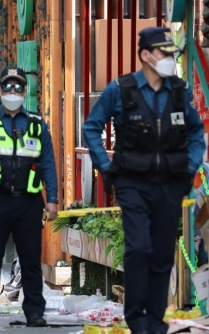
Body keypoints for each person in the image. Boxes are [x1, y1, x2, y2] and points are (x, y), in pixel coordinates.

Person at [83, 27, 205, 334]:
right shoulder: (120, 90)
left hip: (170, 184)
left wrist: (189, 169)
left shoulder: (179, 91)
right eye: (164, 53)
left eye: (170, 53)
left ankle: (155, 322)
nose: (168, 59)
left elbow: (196, 133)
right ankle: (136, 319)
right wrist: (105, 166)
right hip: (132, 182)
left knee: (162, 253)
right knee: (139, 248)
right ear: (146, 56)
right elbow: (92, 128)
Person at [0, 66, 59, 327]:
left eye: (18, 87)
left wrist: (52, 199)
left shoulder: (37, 126)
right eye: (8, 86)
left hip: (29, 202)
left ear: (25, 91)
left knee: (31, 261)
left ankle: (34, 313)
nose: (13, 91)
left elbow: (49, 164)